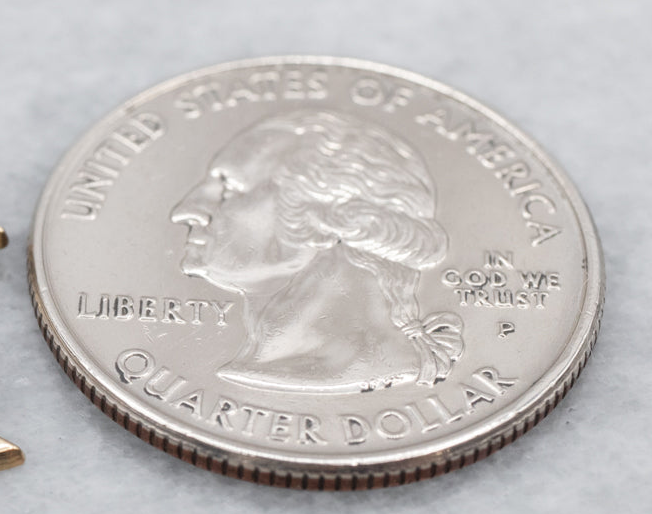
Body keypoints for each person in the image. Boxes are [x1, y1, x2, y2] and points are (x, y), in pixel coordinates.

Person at [170, 110, 463, 393]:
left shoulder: (363, 367)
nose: (186, 211)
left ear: (328, 213)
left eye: (229, 188)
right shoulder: (268, 365)